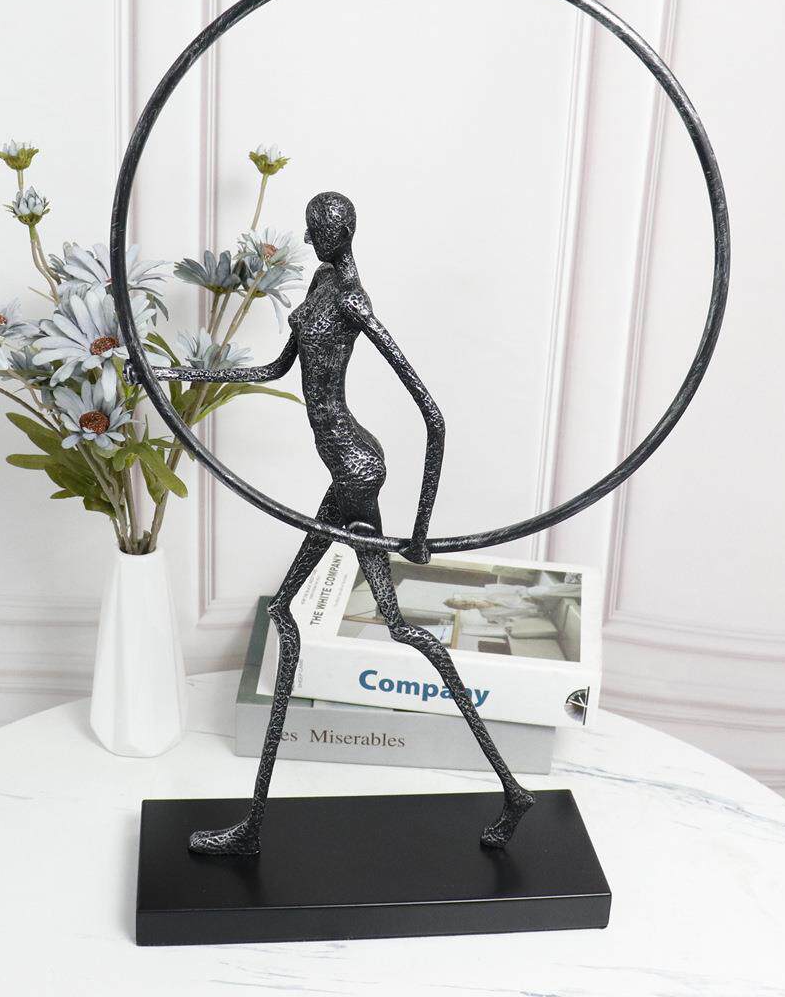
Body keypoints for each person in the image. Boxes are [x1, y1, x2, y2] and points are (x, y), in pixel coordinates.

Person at [152, 191, 534, 854]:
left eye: (315, 229)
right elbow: (274, 369)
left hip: (356, 469)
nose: (306, 239)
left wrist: (419, 532)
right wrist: (171, 372)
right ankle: (513, 791)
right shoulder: (322, 282)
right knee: (370, 623)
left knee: (317, 618)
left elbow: (434, 417)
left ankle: (255, 828)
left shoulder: (353, 300)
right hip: (347, 472)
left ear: (341, 232)